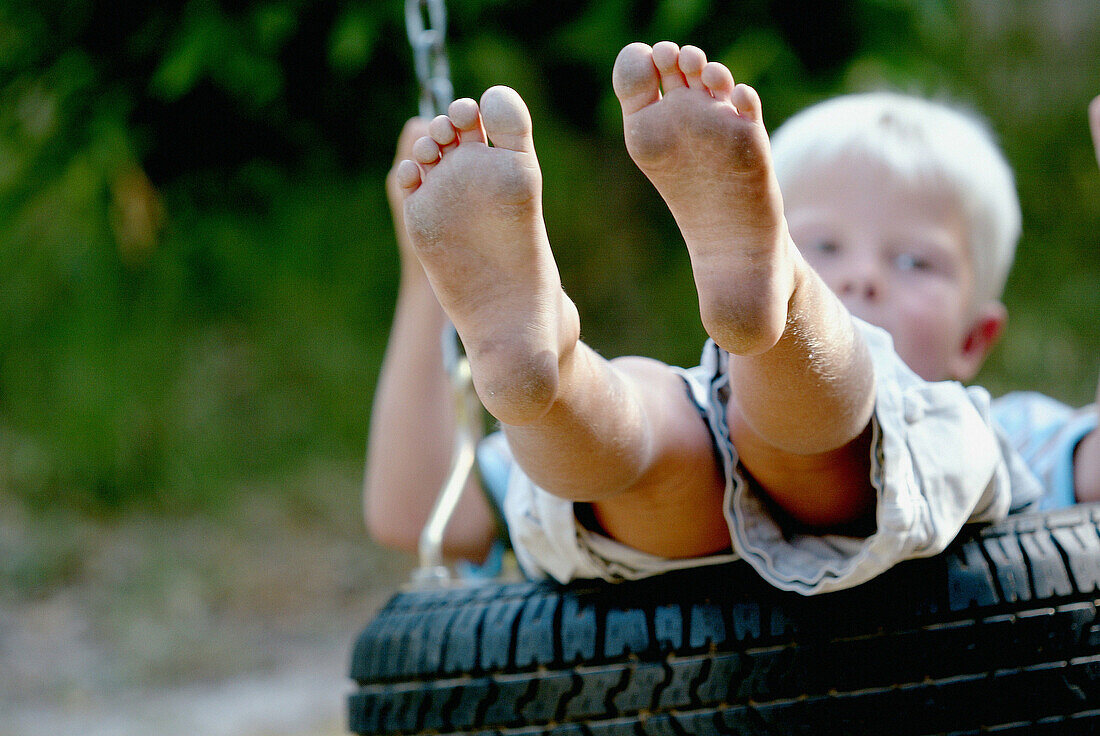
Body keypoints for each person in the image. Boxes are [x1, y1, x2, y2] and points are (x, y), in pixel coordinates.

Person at [364, 41, 1100, 594]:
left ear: (977, 337)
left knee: (844, 406)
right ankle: (549, 372)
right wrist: (428, 277)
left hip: (910, 460)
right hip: (693, 460)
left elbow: (410, 517)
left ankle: (778, 304)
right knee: (655, 419)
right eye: (822, 246)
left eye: (914, 262)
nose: (864, 274)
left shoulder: (1021, 436)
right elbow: (424, 516)